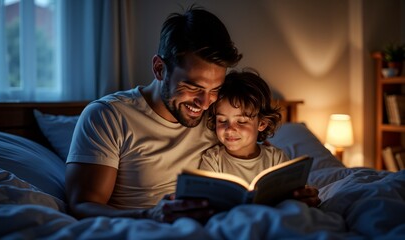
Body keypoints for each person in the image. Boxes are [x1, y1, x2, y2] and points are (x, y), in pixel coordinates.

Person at [65, 6, 319, 223]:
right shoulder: (108, 116)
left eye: (215, 89)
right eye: (193, 87)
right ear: (159, 69)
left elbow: (260, 157)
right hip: (144, 228)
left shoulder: (220, 116)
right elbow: (83, 205)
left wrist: (292, 195)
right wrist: (150, 215)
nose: (205, 102)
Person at [200, 69, 321, 206]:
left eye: (241, 121)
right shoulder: (212, 159)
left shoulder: (276, 158)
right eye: (222, 121)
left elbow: (295, 194)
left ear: (262, 123)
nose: (230, 129)